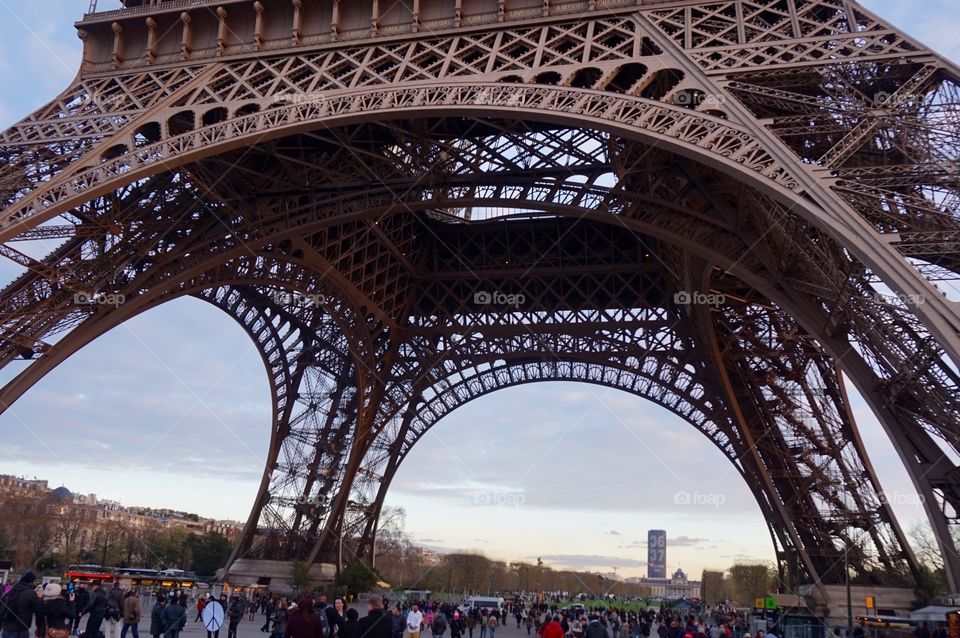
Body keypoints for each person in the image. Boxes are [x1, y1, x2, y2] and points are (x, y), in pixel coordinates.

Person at [1, 571, 40, 638]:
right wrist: (40, 598)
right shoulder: (31, 593)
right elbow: (37, 609)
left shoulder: (11, 590)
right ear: (31, 581)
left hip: (6, 627)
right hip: (20, 629)